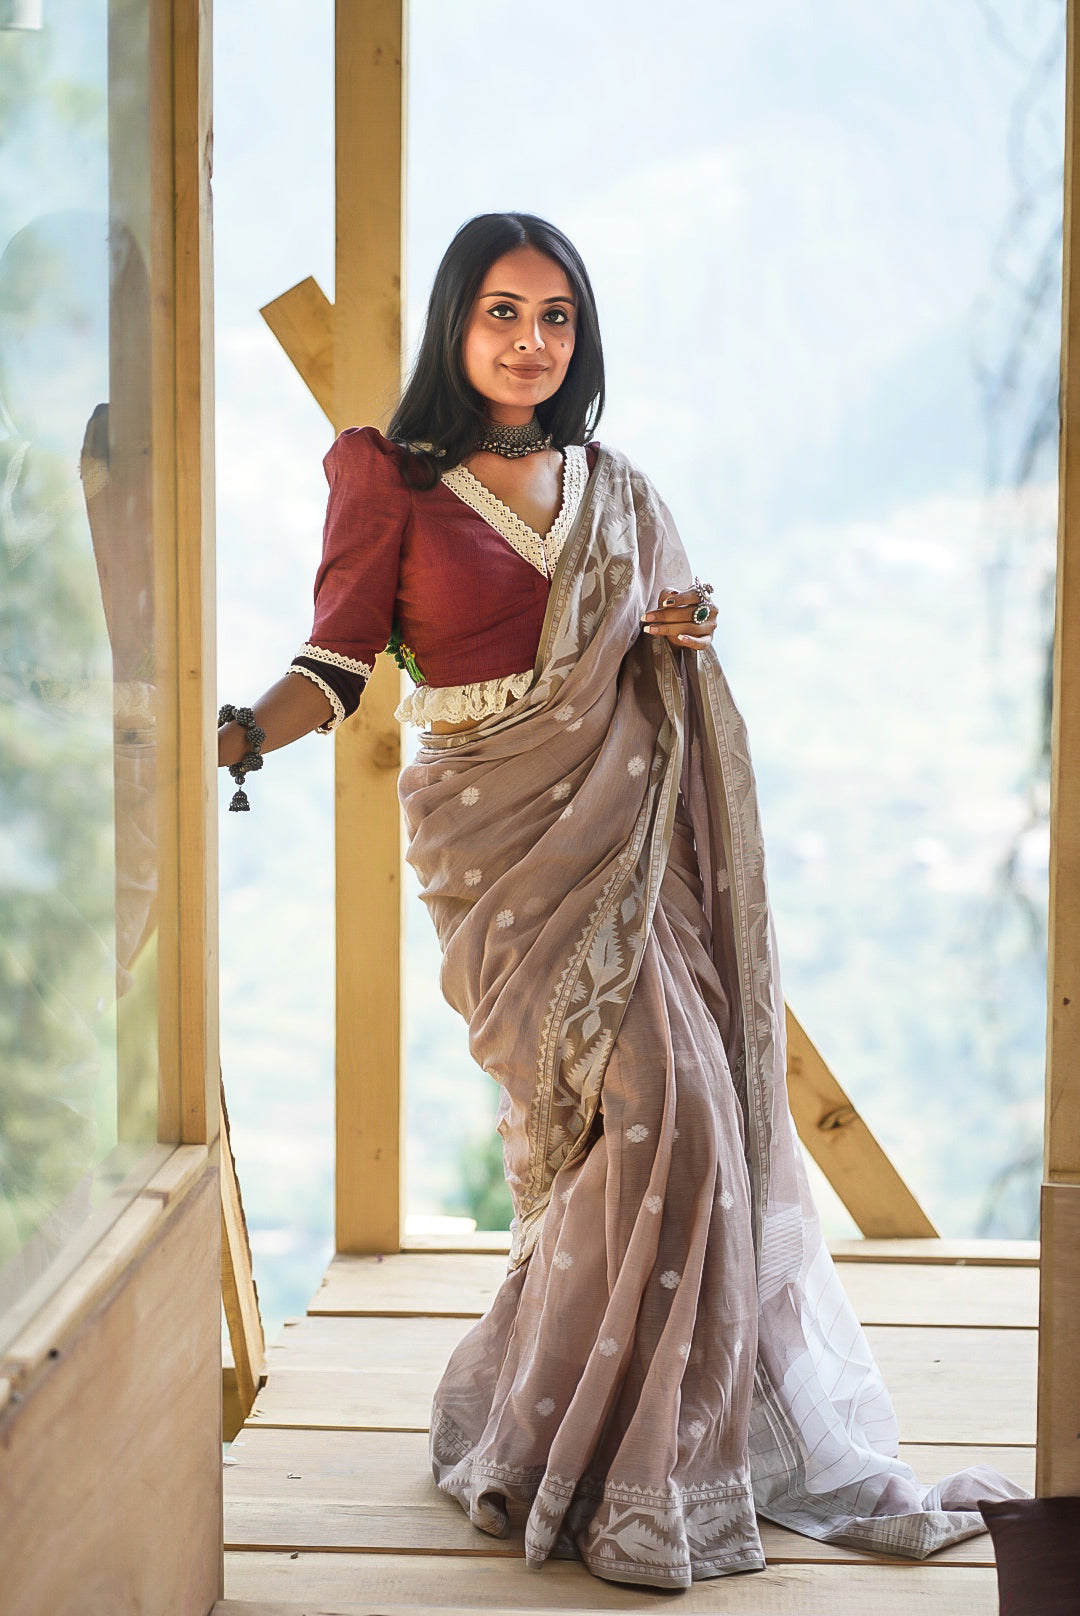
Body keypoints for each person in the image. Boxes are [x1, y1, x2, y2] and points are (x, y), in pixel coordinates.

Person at [218, 212, 1023, 1588]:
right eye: (502, 312)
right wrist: (240, 730)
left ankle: (639, 1447)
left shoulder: (612, 485)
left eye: (557, 318)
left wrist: (676, 634)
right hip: (502, 850)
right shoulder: (387, 476)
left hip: (638, 846)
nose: (530, 342)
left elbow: (658, 631)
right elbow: (339, 663)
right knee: (639, 1109)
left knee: (688, 1116)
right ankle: (565, 1436)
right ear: (455, 324)